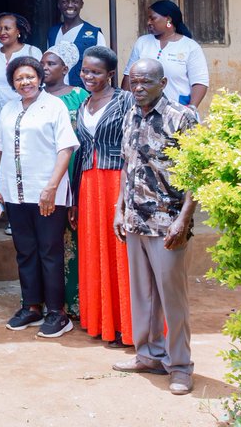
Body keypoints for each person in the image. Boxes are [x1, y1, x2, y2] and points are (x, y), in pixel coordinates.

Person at [112, 58, 200, 396]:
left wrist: (184, 219)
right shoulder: (130, 115)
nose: (137, 88)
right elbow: (127, 165)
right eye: (133, 82)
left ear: (163, 83)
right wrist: (120, 209)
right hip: (136, 219)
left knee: (172, 299)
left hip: (168, 223)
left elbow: (197, 174)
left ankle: (180, 366)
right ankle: (149, 354)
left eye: (145, 82)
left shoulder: (182, 118)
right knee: (143, 296)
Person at [0, 56, 79, 339]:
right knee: (25, 251)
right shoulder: (9, 109)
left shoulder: (54, 107)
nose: (24, 82)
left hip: (47, 194)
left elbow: (66, 148)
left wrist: (52, 187)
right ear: (12, 83)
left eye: (29, 77)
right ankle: (31, 306)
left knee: (49, 252)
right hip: (15, 193)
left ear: (39, 77)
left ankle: (56, 313)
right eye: (18, 78)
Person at [74, 45, 136, 347]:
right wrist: (74, 198)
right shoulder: (81, 106)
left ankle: (129, 325)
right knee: (94, 250)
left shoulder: (126, 101)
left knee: (121, 253)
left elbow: (134, 148)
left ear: (110, 74)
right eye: (85, 70)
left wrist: (128, 196)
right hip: (88, 187)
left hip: (117, 182)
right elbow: (80, 152)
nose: (88, 76)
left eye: (95, 72)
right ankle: (103, 323)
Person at [42, 43, 88, 319]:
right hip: (45, 177)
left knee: (74, 241)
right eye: (43, 64)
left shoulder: (80, 97)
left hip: (75, 173)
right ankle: (49, 302)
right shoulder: (34, 96)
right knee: (47, 241)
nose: (44, 68)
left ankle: (77, 302)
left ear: (65, 68)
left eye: (51, 64)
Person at [121, 0, 209, 108]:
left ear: (168, 19)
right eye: (148, 19)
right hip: (144, 113)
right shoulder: (142, 42)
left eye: (152, 18)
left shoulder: (190, 47)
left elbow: (199, 82)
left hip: (178, 112)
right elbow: (128, 77)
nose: (148, 22)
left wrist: (191, 109)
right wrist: (125, 106)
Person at [45, 0, 107, 88]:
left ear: (81, 4)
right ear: (59, 5)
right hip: (56, 94)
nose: (70, 5)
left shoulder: (94, 34)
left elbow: (103, 67)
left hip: (83, 94)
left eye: (75, 2)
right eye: (65, 2)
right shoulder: (52, 32)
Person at [0, 12, 41, 104]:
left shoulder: (32, 52)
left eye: (7, 28)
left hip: (29, 109)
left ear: (18, 31)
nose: (2, 32)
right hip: (0, 112)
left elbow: (42, 83)